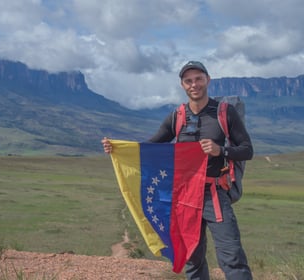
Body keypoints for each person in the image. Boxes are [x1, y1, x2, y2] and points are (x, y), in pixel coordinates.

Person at [101, 61, 253, 280]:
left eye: (198, 79)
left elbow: (247, 150)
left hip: (214, 194)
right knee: (193, 258)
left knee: (232, 257)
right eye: (188, 81)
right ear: (182, 85)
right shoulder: (177, 116)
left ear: (207, 80)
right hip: (186, 197)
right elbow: (151, 147)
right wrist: (118, 149)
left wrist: (221, 150)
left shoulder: (224, 113)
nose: (194, 85)